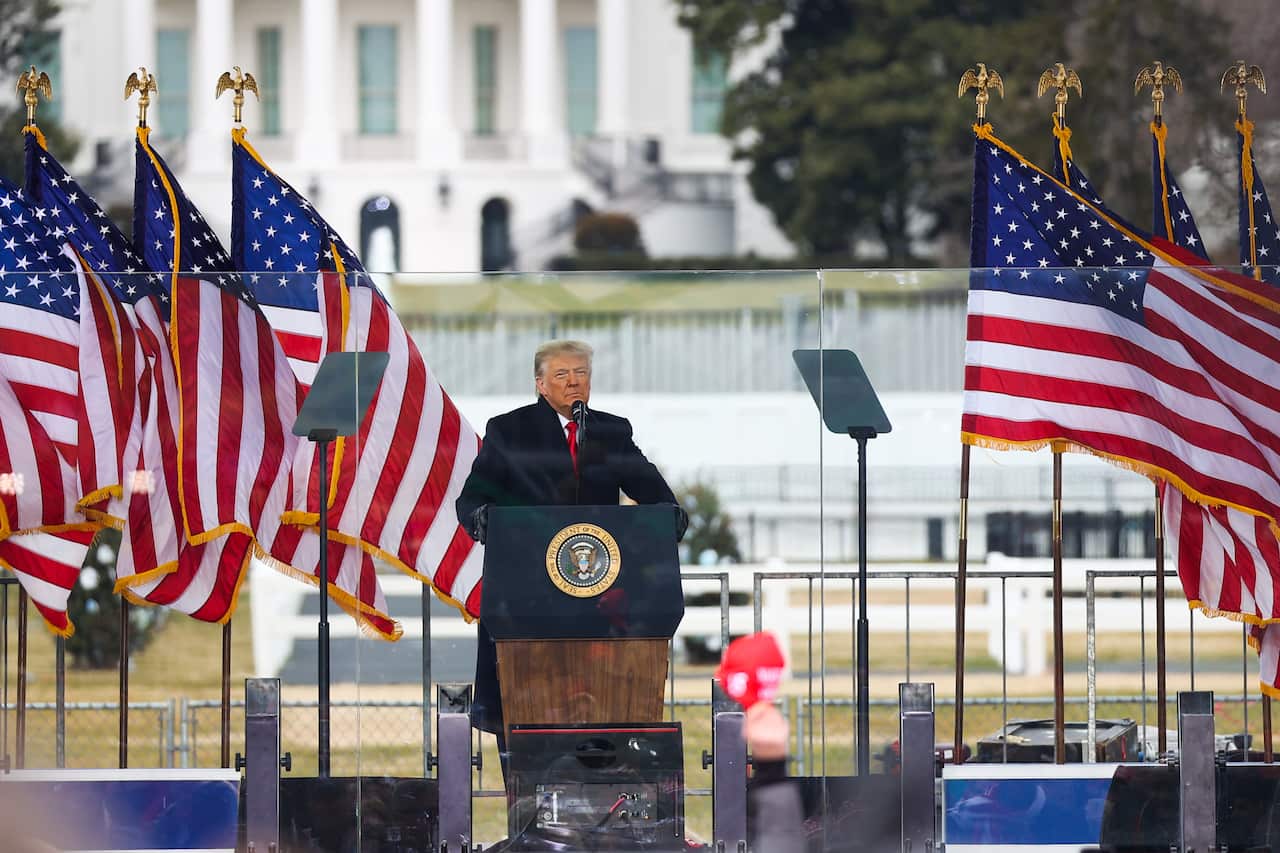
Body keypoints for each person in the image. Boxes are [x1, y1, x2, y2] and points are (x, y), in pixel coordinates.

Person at [455, 339, 687, 752]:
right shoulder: (509, 430)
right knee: (525, 716)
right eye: (562, 375)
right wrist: (482, 518)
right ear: (541, 384)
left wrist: (670, 514)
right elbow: (472, 499)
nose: (574, 382)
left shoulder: (611, 432)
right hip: (527, 597)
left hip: (599, 598)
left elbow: (653, 493)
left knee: (604, 713)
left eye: (581, 373)